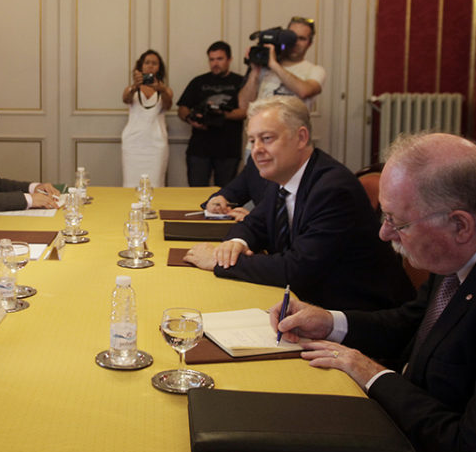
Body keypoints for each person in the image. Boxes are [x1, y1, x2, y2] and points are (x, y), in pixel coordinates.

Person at [273, 133, 476, 452]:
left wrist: (373, 375)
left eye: (396, 222)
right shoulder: (471, 236)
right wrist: (332, 323)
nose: (384, 235)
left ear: (459, 224)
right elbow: (418, 321)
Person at [184, 96, 414, 311]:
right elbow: (255, 223)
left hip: (359, 315)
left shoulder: (332, 189)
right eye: (252, 141)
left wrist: (220, 262)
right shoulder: (283, 177)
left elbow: (297, 270)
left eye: (267, 139)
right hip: (309, 301)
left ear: (301, 138)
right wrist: (235, 242)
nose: (256, 150)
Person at [176, 41, 246, 187]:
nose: (215, 63)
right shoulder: (198, 82)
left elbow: (246, 111)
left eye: (219, 59)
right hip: (199, 149)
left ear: (229, 59)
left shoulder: (240, 82)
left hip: (229, 149)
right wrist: (190, 118)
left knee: (226, 195)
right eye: (212, 59)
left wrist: (221, 115)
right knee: (195, 194)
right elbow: (182, 108)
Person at [238, 15, 325, 110]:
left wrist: (273, 64)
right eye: (292, 37)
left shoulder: (315, 70)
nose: (295, 42)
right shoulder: (264, 67)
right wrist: (255, 72)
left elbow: (304, 91)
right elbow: (243, 106)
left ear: (309, 44)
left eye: (302, 39)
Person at [121, 49, 173, 187]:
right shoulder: (131, 89)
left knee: (155, 183)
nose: (150, 66)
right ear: (141, 66)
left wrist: (161, 89)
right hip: (133, 142)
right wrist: (135, 86)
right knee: (131, 184)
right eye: (147, 63)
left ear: (159, 68)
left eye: (154, 63)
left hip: (156, 143)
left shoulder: (165, 90)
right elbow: (126, 99)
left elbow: (168, 105)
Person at [200, 155, 266, 221]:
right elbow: (232, 191)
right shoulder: (255, 161)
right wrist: (218, 200)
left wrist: (255, 220)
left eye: (268, 143)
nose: (257, 148)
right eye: (254, 144)